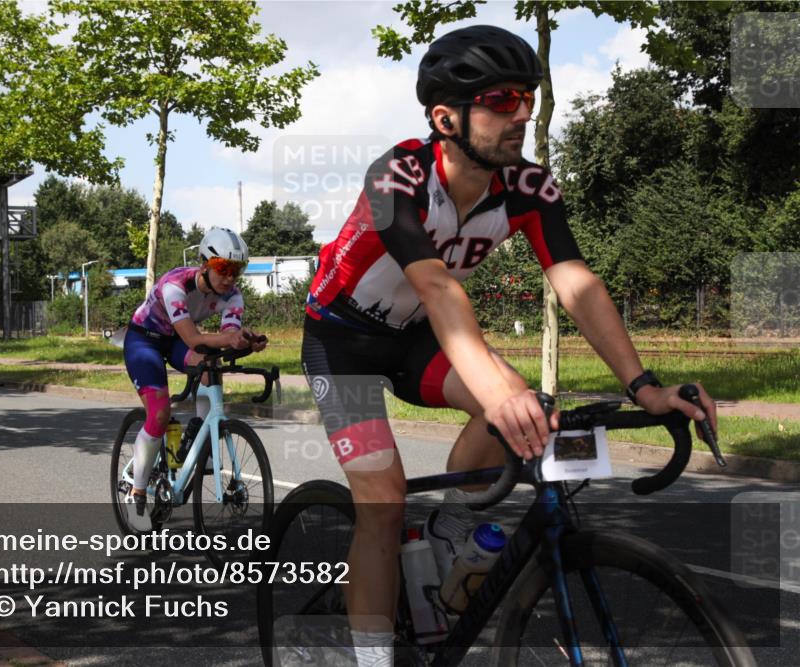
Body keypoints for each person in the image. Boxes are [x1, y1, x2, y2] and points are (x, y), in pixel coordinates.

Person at [300, 25, 718, 666]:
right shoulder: (398, 175)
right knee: (382, 506)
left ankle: (447, 523)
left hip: (414, 339)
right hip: (344, 340)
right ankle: (372, 658)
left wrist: (644, 385)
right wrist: (500, 393)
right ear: (445, 117)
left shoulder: (528, 187)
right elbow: (436, 284)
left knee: (526, 403)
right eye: (501, 100)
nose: (521, 113)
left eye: (527, 97)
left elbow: (576, 283)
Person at [123, 227, 267, 531]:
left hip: (174, 340)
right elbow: (192, 336)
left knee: (211, 363)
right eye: (222, 268)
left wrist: (245, 339)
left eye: (236, 270)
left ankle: (202, 433)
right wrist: (230, 336)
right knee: (160, 414)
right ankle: (137, 495)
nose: (229, 277)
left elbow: (228, 335)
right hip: (145, 340)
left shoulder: (233, 295)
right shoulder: (176, 284)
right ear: (205, 263)